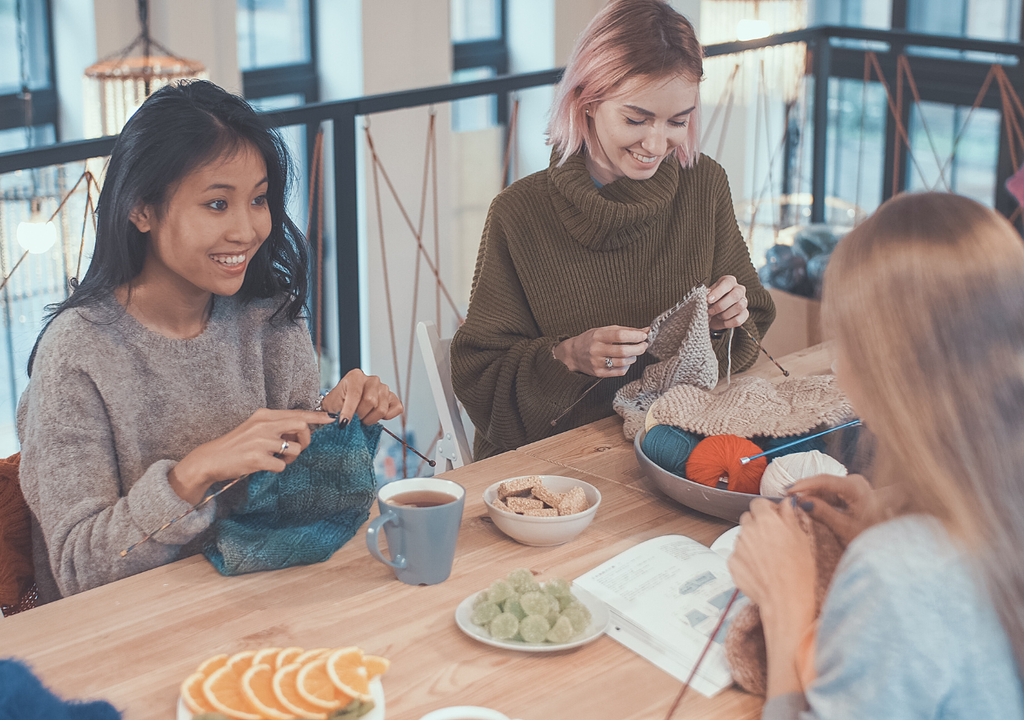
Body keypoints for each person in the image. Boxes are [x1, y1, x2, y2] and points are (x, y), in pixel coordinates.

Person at [18, 80, 402, 602]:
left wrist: (333, 420)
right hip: (138, 627)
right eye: (217, 204)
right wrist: (193, 474)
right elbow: (78, 571)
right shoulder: (77, 354)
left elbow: (290, 509)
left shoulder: (269, 317)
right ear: (141, 209)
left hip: (268, 600)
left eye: (259, 200)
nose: (246, 230)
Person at [729, 192, 1024, 719]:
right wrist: (898, 518)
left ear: (889, 370)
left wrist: (785, 605)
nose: (837, 368)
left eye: (846, 344)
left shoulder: (896, 575)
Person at [450, 0, 775, 460]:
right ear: (587, 101)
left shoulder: (704, 185)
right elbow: (482, 380)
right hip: (556, 464)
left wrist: (726, 320)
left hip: (673, 445)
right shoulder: (519, 213)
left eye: (678, 121)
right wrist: (567, 357)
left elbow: (749, 331)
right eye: (636, 119)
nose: (656, 144)